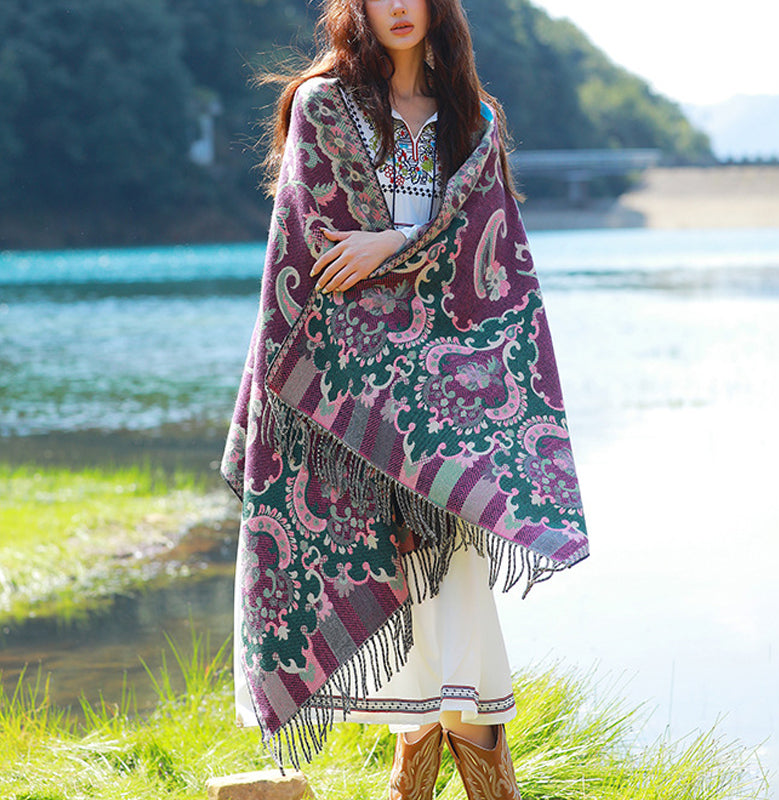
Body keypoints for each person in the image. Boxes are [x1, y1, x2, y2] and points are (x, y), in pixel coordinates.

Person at [221, 0, 589, 797]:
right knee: (428, 651)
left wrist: (394, 243)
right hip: (356, 420)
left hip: (450, 421)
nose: (395, 6)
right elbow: (309, 250)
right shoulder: (326, 108)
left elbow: (493, 262)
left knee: (459, 631)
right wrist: (394, 260)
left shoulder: (472, 121)